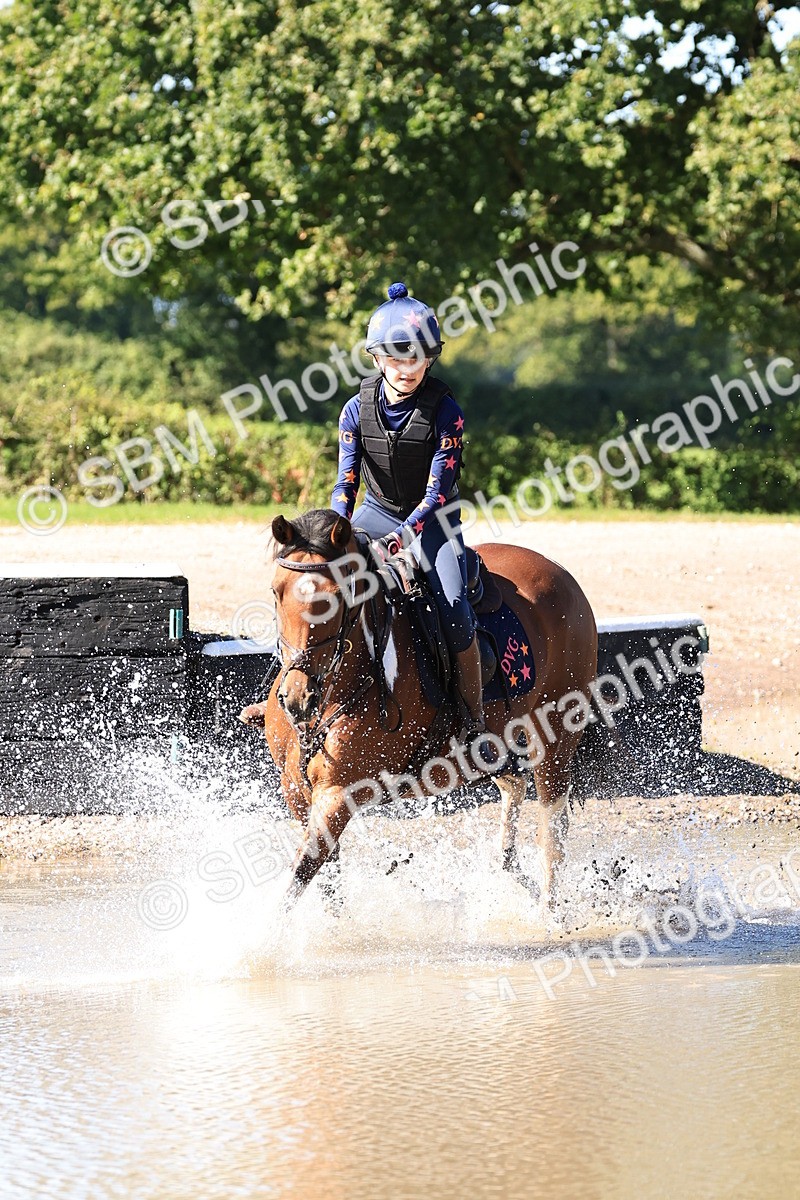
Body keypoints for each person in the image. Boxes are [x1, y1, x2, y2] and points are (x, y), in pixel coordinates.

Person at [330, 281, 485, 741]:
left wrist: (403, 538)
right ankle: (290, 693)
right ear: (377, 359)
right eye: (396, 358)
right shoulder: (354, 410)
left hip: (435, 523)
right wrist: (336, 529)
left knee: (455, 608)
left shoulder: (447, 412)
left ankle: (472, 717)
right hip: (374, 511)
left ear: (430, 358)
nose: (406, 368)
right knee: (321, 585)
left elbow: (437, 495)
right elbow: (346, 483)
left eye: (417, 357)